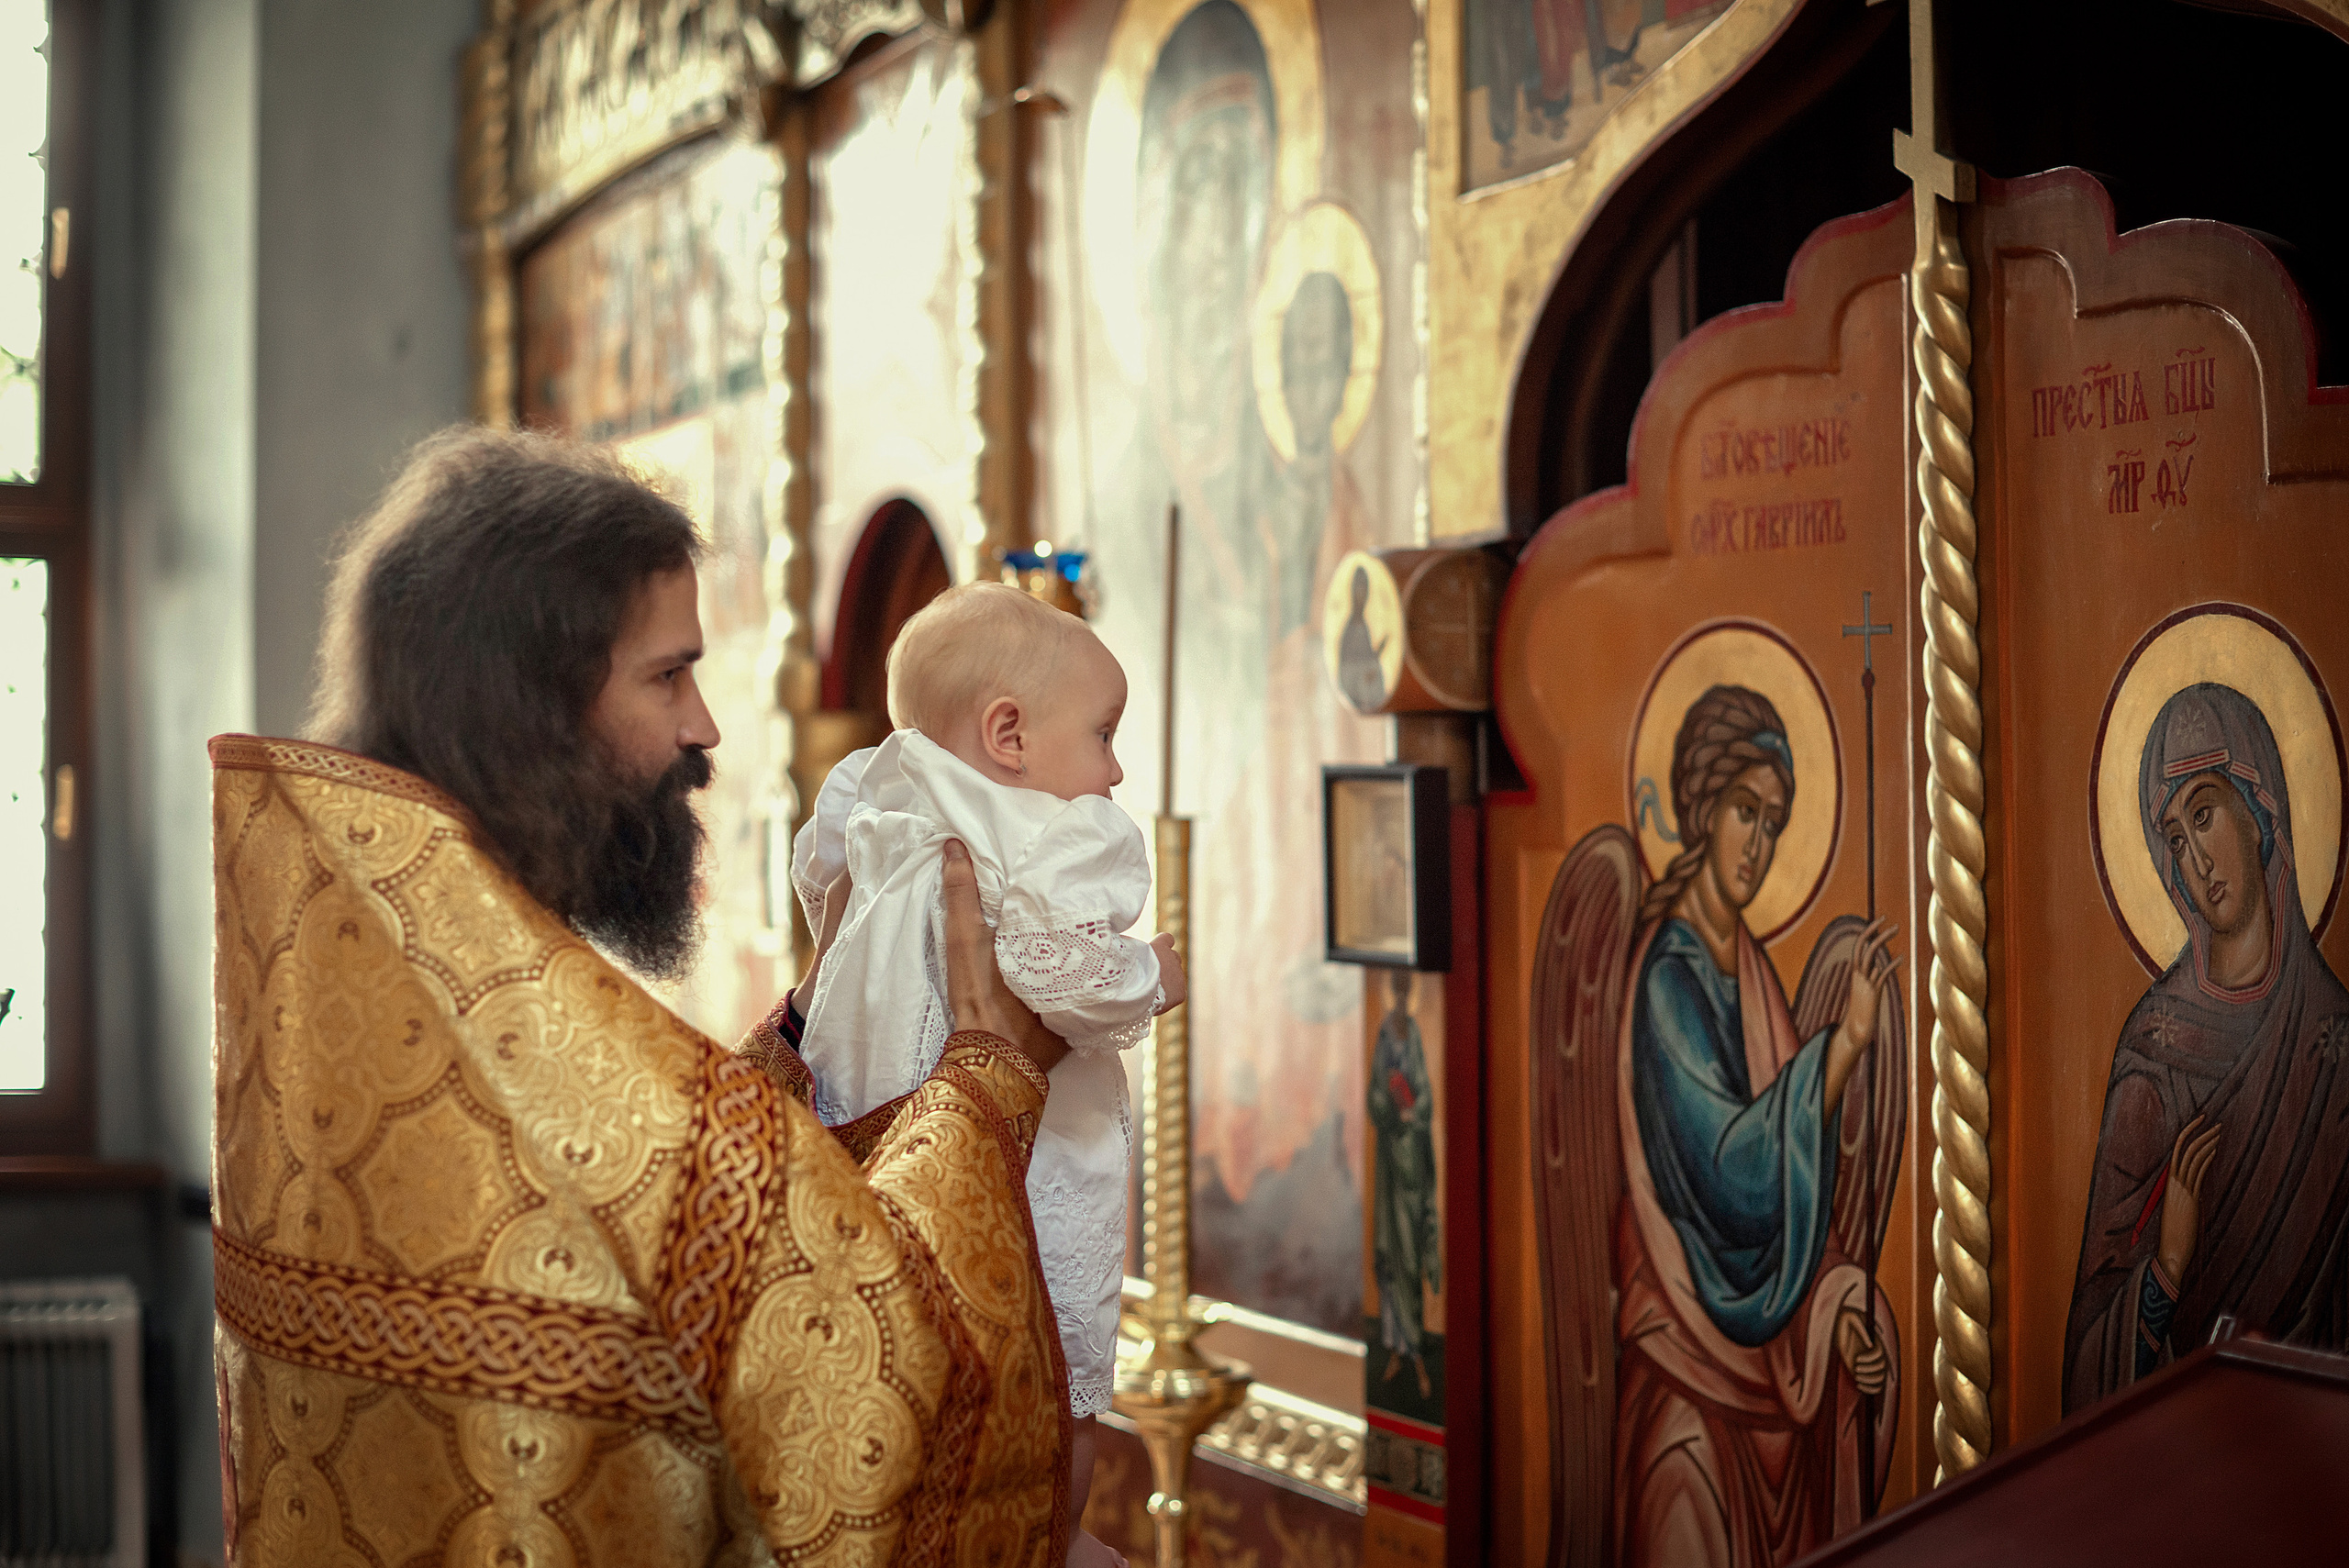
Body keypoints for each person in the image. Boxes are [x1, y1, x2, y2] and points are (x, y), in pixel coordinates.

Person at [210, 428, 1074, 1566]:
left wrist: (800, 1037)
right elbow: (880, 1396)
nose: (704, 725)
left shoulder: (350, 989)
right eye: (668, 673)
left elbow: (637, 1222)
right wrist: (988, 1071)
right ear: (526, 708)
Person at [789, 583, 1185, 1568]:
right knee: (1057, 1366)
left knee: (909, 1366)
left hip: (870, 1126)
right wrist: (1154, 974)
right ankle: (1058, 1532)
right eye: (1102, 734)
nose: (1116, 766)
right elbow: (1066, 981)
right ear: (1007, 733)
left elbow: (819, 888)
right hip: (1026, 1158)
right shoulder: (1065, 832)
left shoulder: (877, 800)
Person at [1614, 684, 1901, 1566]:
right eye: (1747, 810)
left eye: (1776, 821)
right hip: (1690, 1391)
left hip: (1758, 1371)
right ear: (1703, 809)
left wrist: (1828, 1316)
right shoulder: (1668, 978)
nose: (1761, 843)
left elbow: (1785, 1214)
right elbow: (1737, 1178)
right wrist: (1844, 1046)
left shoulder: (1750, 970)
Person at [2063, 682, 2349, 1411]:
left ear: (2262, 809)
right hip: (2186, 1461)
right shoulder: (2155, 1052)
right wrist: (2166, 1269)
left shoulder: (2334, 1043)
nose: (2194, 861)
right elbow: (2087, 1366)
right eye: (2175, 839)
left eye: (2204, 814)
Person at [1368, 969, 1440, 1399]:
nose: (1398, 995)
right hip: (1390, 1163)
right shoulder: (1383, 1035)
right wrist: (1392, 1111)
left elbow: (1426, 1090)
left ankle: (1416, 1352)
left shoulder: (1411, 1032)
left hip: (1414, 1156)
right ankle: (1396, 1348)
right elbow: (1375, 1091)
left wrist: (1415, 1111)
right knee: (1391, 1253)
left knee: (1411, 1252)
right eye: (1394, 989)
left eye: (1404, 989)